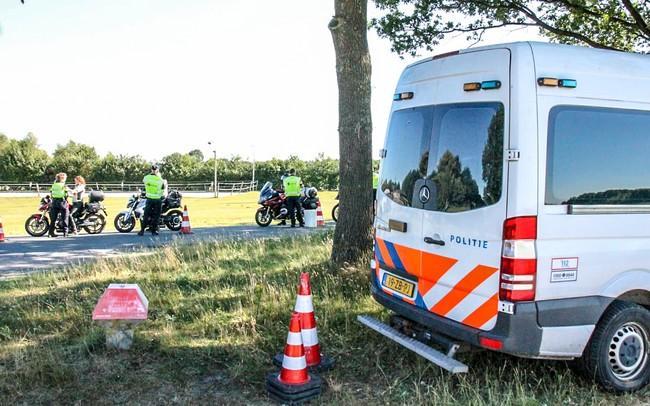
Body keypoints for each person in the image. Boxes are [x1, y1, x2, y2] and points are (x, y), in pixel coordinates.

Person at [139, 164, 165, 236]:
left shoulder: (146, 178)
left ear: (151, 170)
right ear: (157, 170)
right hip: (157, 199)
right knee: (156, 216)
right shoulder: (160, 180)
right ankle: (154, 231)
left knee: (146, 215)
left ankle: (142, 231)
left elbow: (144, 181)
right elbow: (163, 188)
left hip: (149, 199)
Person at [48, 172, 70, 237]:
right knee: (65, 217)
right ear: (62, 178)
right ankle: (65, 232)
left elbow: (51, 192)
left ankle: (50, 232)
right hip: (62, 202)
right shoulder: (63, 185)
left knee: (53, 218)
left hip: (54, 202)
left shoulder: (54, 185)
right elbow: (66, 193)